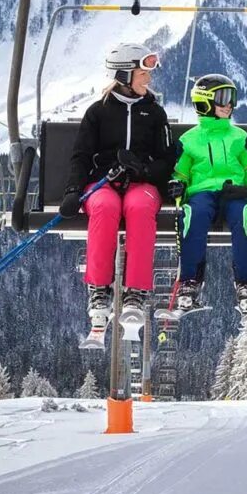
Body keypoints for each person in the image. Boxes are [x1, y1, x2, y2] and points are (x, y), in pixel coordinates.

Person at [58, 43, 178, 334]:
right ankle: (100, 287)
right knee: (104, 207)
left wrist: (145, 170)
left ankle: (135, 291)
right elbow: (81, 155)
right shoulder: (98, 112)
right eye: (142, 73)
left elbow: (167, 158)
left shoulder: (154, 113)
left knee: (138, 208)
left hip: (143, 184)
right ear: (124, 75)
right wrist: (74, 190)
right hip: (103, 182)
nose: (148, 79)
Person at [165, 73, 247, 320]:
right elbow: (181, 172)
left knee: (246, 216)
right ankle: (190, 279)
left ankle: (246, 282)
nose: (229, 104)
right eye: (223, 98)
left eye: (232, 98)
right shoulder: (190, 141)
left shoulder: (238, 138)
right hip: (202, 194)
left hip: (235, 193)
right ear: (204, 102)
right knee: (192, 215)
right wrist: (178, 185)